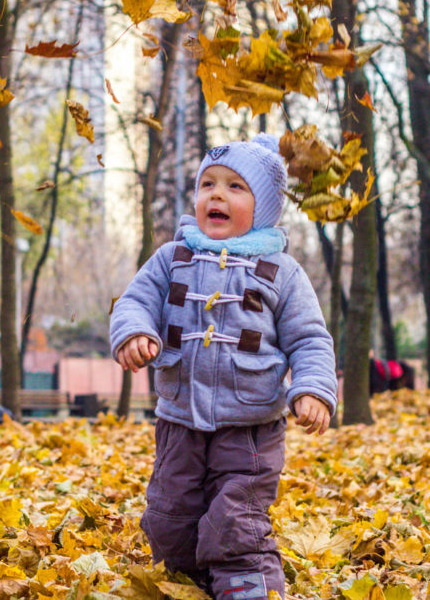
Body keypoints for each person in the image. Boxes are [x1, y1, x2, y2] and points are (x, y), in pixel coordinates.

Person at [109, 133, 337, 599]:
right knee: (170, 512)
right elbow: (134, 303)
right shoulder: (173, 258)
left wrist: (312, 389)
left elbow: (310, 339)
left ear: (266, 207)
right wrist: (135, 334)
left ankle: (245, 586)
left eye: (235, 187)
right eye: (207, 184)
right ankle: (182, 580)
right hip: (180, 419)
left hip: (251, 427)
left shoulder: (281, 272)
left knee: (238, 517)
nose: (216, 194)